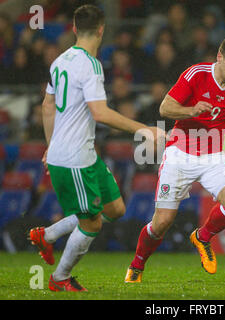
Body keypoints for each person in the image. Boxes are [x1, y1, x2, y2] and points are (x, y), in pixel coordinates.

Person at [28, 4, 164, 292]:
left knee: (115, 209)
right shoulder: (91, 66)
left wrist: (50, 144)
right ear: (102, 29)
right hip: (74, 158)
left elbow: (47, 105)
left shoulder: (59, 61)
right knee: (92, 224)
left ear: (75, 28)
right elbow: (100, 113)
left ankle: (48, 235)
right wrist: (144, 128)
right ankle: (59, 278)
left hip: (84, 154)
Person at [125, 35, 225, 283]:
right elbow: (165, 108)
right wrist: (190, 110)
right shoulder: (196, 74)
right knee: (162, 223)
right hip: (180, 152)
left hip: (214, 155)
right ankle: (137, 265)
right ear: (220, 56)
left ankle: (203, 236)